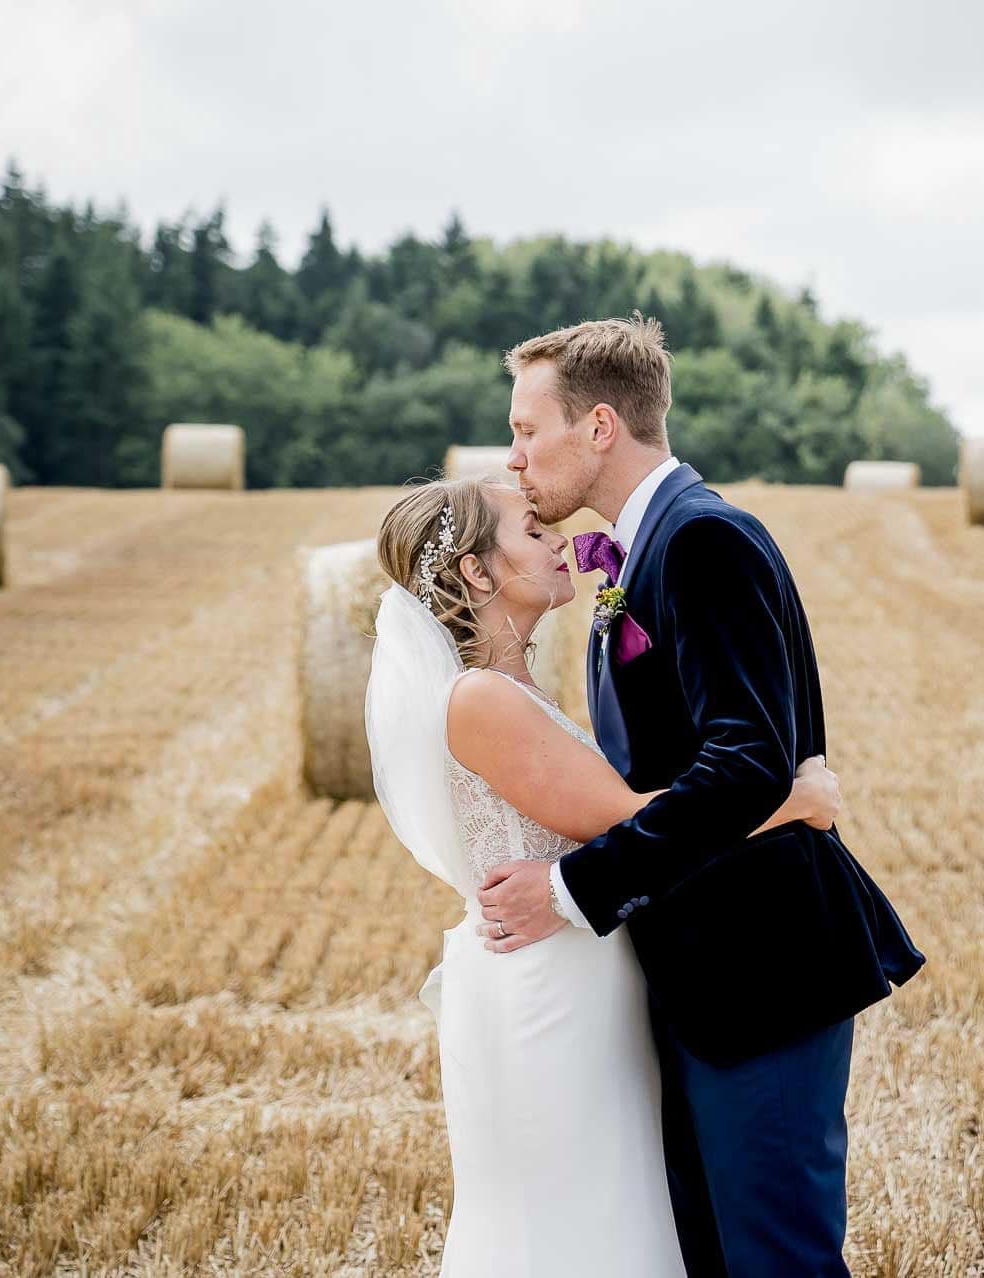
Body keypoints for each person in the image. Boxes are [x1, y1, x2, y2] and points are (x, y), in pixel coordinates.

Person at [475, 315, 926, 1276]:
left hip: (759, 967)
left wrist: (568, 892)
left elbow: (748, 761)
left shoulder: (702, 540)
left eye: (526, 429)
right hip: (691, 975)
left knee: (776, 1261)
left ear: (600, 427)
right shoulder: (639, 555)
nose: (514, 457)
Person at [366, 473, 843, 1277]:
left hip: (577, 965)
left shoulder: (510, 688)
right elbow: (625, 816)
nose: (558, 535)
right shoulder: (482, 697)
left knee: (609, 1209)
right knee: (573, 1221)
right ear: (478, 573)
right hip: (550, 987)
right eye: (530, 530)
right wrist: (792, 798)